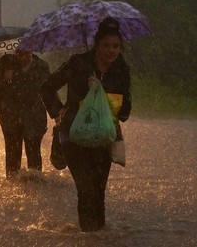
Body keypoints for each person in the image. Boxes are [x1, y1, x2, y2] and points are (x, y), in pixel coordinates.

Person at [38, 17, 131, 231]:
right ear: (97, 45)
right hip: (73, 136)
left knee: (98, 192)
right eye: (106, 46)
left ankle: (99, 236)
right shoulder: (77, 63)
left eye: (116, 46)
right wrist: (59, 112)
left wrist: (101, 91)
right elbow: (46, 88)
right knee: (86, 190)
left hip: (103, 138)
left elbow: (125, 112)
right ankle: (88, 237)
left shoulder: (122, 69)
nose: (111, 51)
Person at [0, 49, 50, 180]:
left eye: (26, 53)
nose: (22, 57)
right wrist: (4, 79)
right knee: (13, 156)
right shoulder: (6, 63)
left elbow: (48, 91)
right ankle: (12, 184)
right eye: (19, 53)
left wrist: (57, 113)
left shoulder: (42, 67)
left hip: (34, 118)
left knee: (34, 154)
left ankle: (36, 186)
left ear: (32, 51)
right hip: (10, 118)